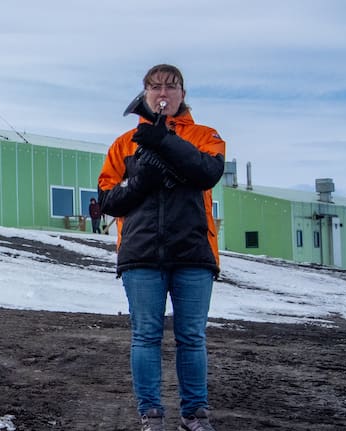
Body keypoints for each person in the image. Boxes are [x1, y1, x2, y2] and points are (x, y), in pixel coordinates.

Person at [97, 64, 225, 431]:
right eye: (155, 87)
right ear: (146, 95)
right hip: (141, 254)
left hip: (193, 253)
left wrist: (163, 141)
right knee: (146, 336)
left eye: (171, 86)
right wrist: (141, 180)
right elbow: (108, 200)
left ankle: (194, 414)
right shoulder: (124, 144)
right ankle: (151, 415)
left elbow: (207, 173)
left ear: (183, 95)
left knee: (191, 337)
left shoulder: (206, 135)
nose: (163, 92)